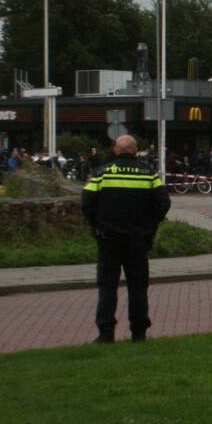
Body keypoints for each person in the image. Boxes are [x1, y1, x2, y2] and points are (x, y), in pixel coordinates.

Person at [81, 134, 171, 344]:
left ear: (115, 150)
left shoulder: (102, 173)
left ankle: (105, 333)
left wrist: (97, 226)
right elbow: (163, 203)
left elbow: (86, 203)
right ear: (135, 150)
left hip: (108, 239)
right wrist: (149, 226)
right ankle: (138, 333)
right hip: (138, 240)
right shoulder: (149, 174)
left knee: (107, 287)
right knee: (138, 287)